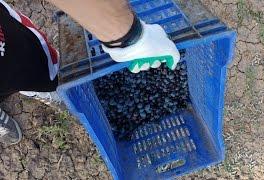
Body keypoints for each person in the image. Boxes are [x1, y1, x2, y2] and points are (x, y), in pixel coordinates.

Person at [0, 0, 180, 146]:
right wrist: (129, 38)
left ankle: (47, 86)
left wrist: (127, 37)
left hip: (11, 50)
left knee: (35, 68)